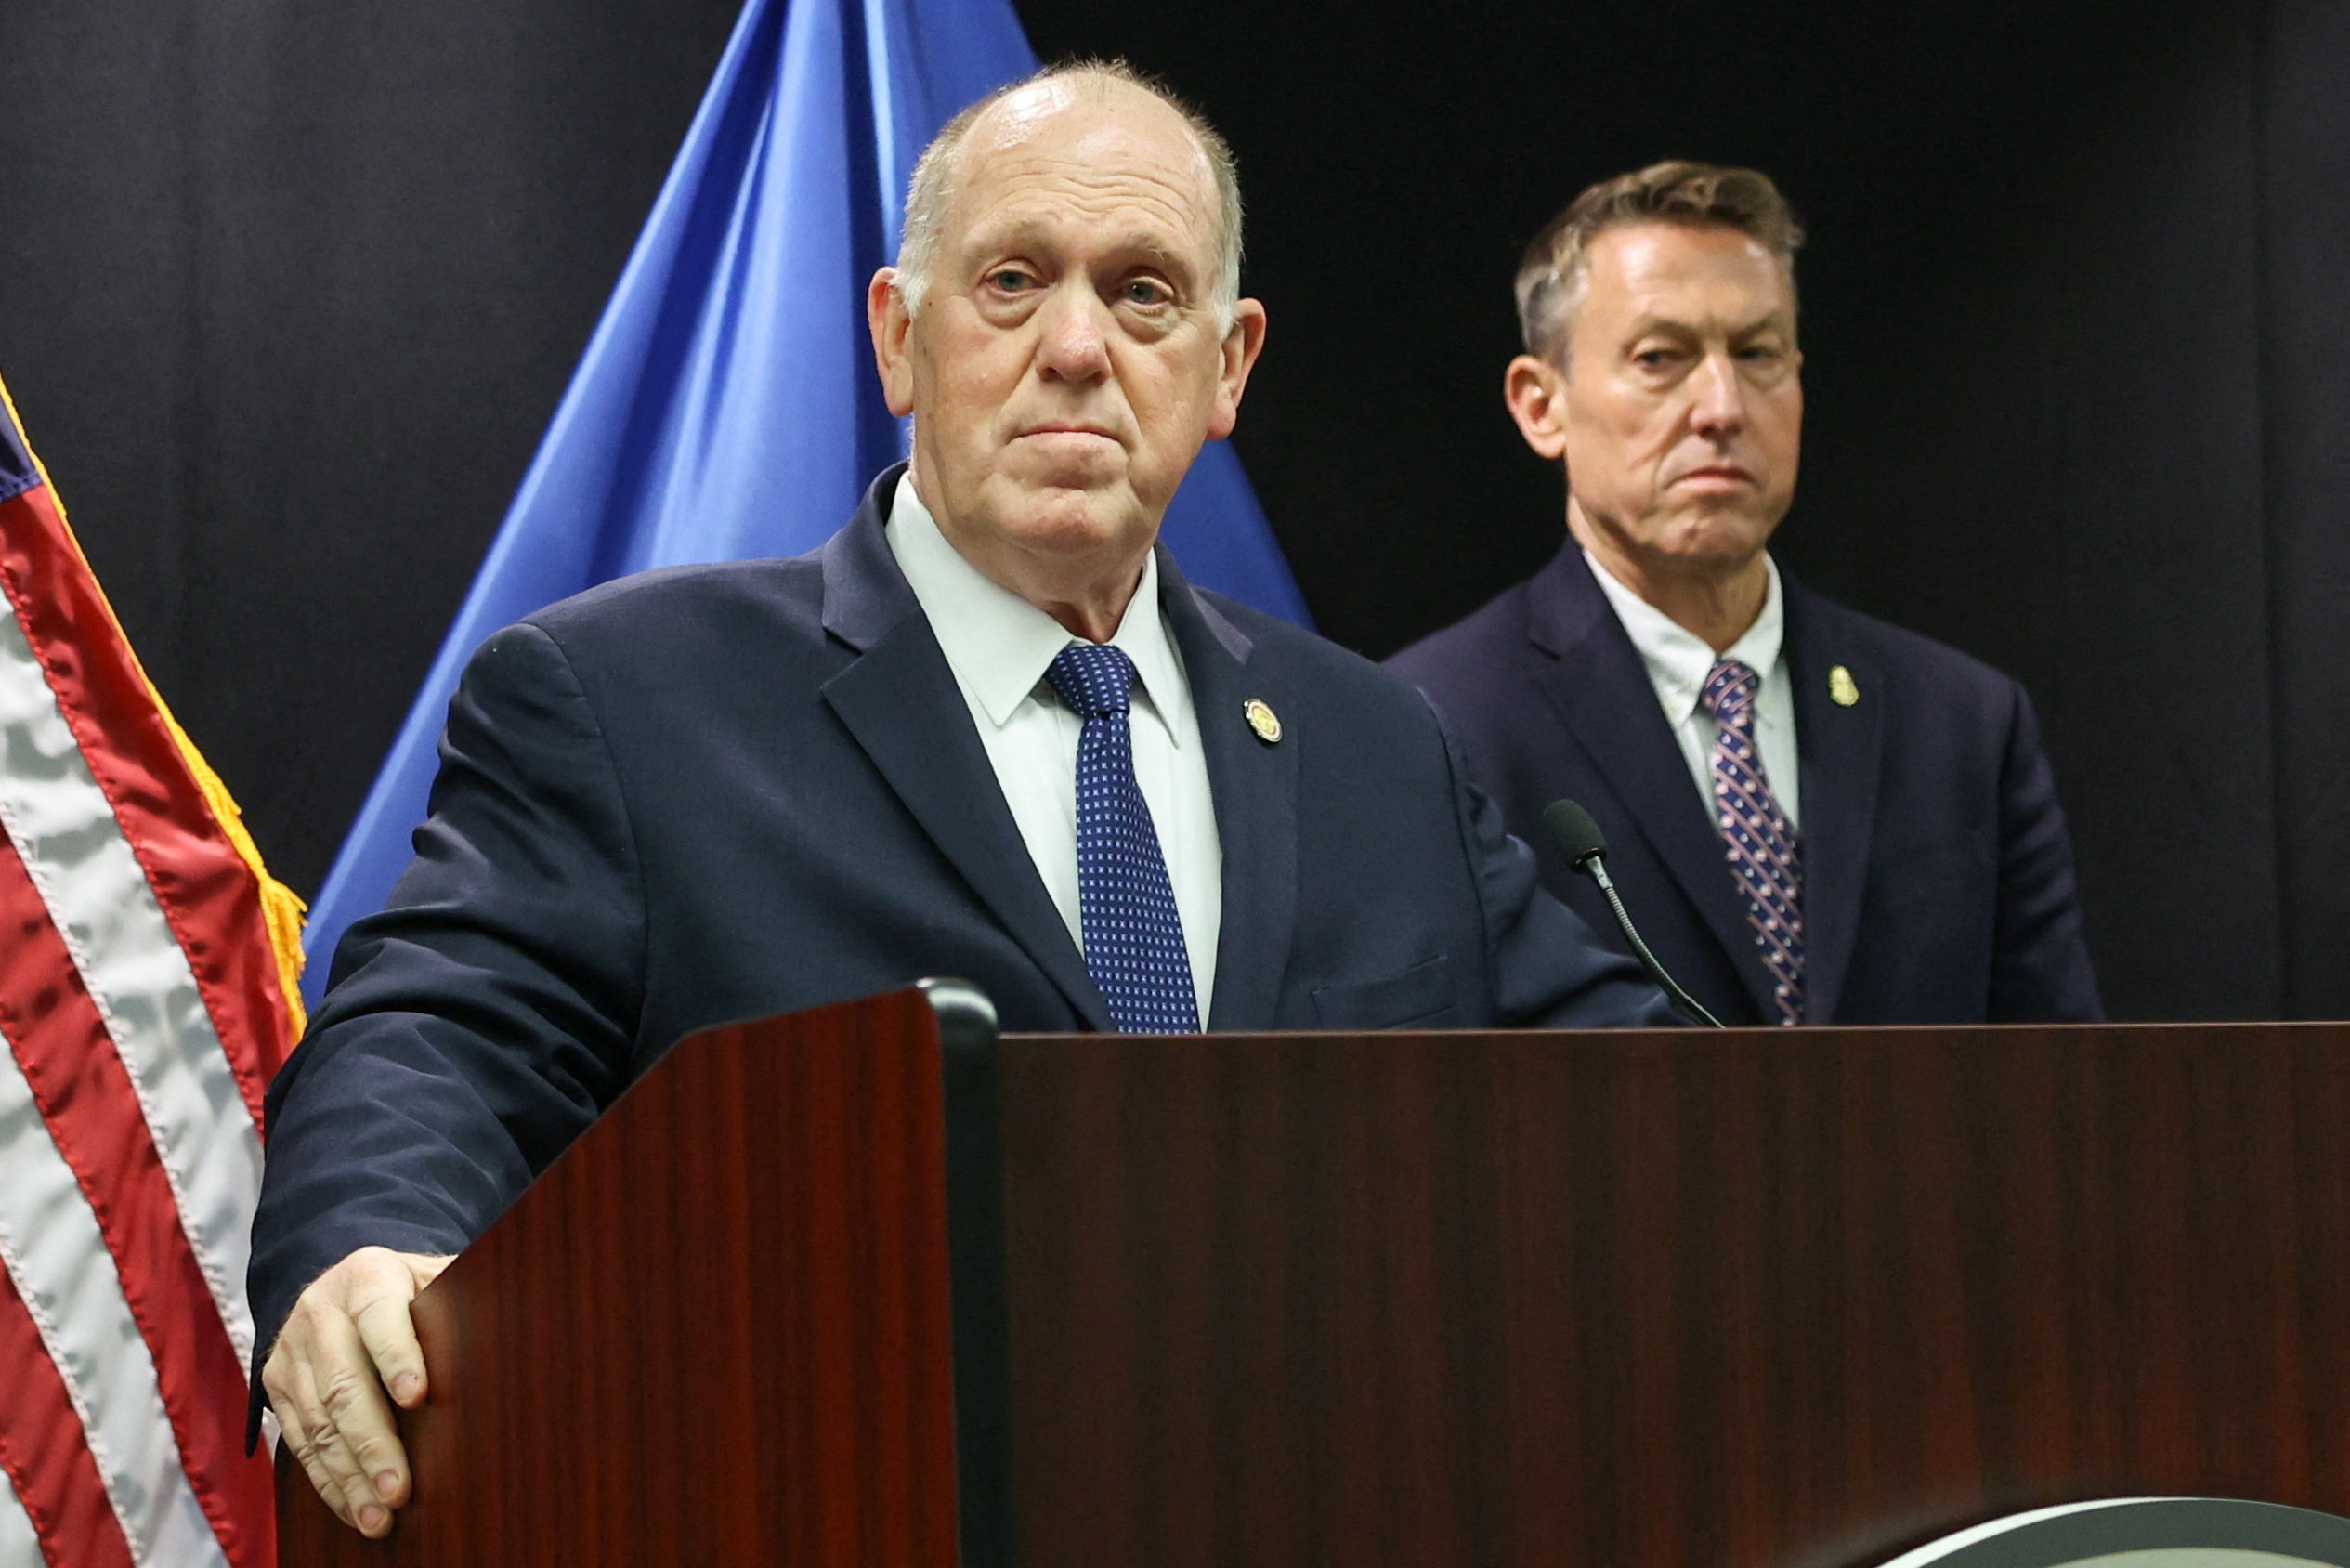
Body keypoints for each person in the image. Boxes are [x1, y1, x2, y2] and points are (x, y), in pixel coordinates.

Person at [251, 65, 1676, 1538]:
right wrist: (375, 1234)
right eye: (1010, 282)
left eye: (1140, 293)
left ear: (1228, 365)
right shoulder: (625, 699)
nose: (1074, 347)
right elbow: (437, 1034)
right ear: (897, 338)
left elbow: (1652, 1117)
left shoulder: (1380, 746)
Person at [1390, 162, 2100, 1029]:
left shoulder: (1964, 725)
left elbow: (2062, 1089)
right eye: (1662, 358)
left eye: (1758, 354)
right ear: (1542, 405)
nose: (1721, 407)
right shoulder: (1425, 728)